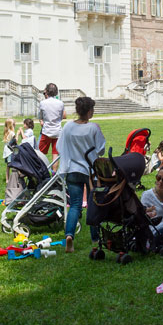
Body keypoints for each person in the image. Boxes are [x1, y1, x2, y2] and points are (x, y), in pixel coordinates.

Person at [56, 96, 106, 252]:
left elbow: (59, 145)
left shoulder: (68, 127)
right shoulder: (93, 128)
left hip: (72, 169)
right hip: (90, 170)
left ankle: (69, 235)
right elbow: (101, 149)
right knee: (93, 205)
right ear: (90, 111)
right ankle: (95, 238)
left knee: (75, 205)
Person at [37, 83, 66, 166]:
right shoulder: (60, 103)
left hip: (46, 131)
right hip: (57, 131)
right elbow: (62, 117)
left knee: (41, 154)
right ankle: (54, 174)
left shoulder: (43, 103)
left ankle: (41, 172)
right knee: (55, 154)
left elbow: (40, 116)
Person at [2, 119, 25, 201]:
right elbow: (15, 141)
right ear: (12, 125)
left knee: (8, 166)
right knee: (14, 165)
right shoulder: (12, 133)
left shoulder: (6, 132)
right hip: (11, 151)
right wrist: (18, 134)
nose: (15, 124)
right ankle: (16, 176)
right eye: (14, 123)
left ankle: (7, 179)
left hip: (6, 151)